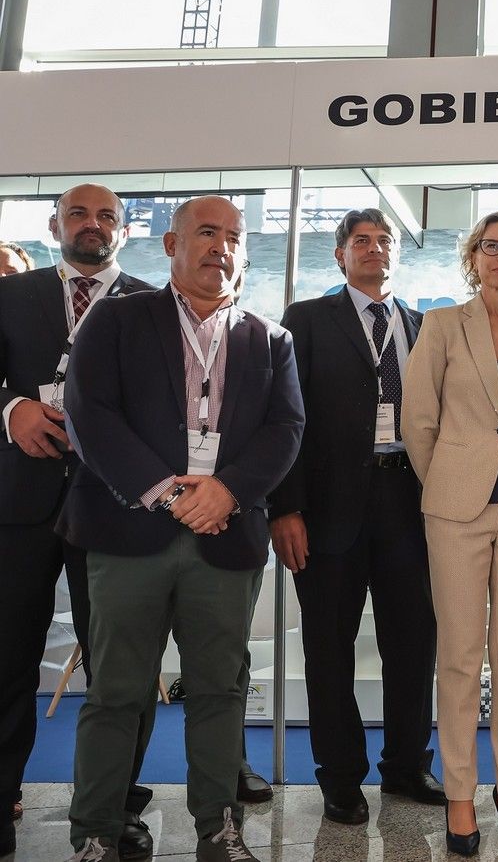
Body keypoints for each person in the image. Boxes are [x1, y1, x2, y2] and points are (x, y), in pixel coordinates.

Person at [56, 195, 304, 862]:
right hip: (129, 530)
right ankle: (97, 833)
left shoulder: (269, 337)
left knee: (220, 692)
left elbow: (287, 428)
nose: (220, 246)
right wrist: (170, 492)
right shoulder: (116, 320)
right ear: (171, 245)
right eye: (205, 232)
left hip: (227, 537)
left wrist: (227, 489)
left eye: (233, 235)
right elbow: (91, 414)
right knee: (116, 691)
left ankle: (217, 832)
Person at [268, 209, 443, 825]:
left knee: (414, 642)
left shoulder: (423, 326)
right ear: (340, 256)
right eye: (361, 241)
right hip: (327, 509)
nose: (374, 249)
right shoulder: (308, 321)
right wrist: (284, 507)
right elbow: (284, 419)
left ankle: (406, 766)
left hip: (408, 504)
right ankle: (340, 777)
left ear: (397, 255)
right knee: (328, 646)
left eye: (384, 240)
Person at [0, 185, 156, 861]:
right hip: (18, 505)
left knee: (118, 667)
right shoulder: (10, 294)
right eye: (78, 214)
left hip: (114, 509)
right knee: (5, 658)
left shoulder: (156, 305)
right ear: (54, 223)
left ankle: (115, 806)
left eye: (105, 217)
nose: (91, 226)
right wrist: (11, 410)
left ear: (122, 230)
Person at [402, 209, 498, 857]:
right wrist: (448, 481)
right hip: (454, 509)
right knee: (461, 658)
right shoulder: (441, 325)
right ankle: (462, 797)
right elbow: (419, 421)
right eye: (492, 246)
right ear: (473, 256)